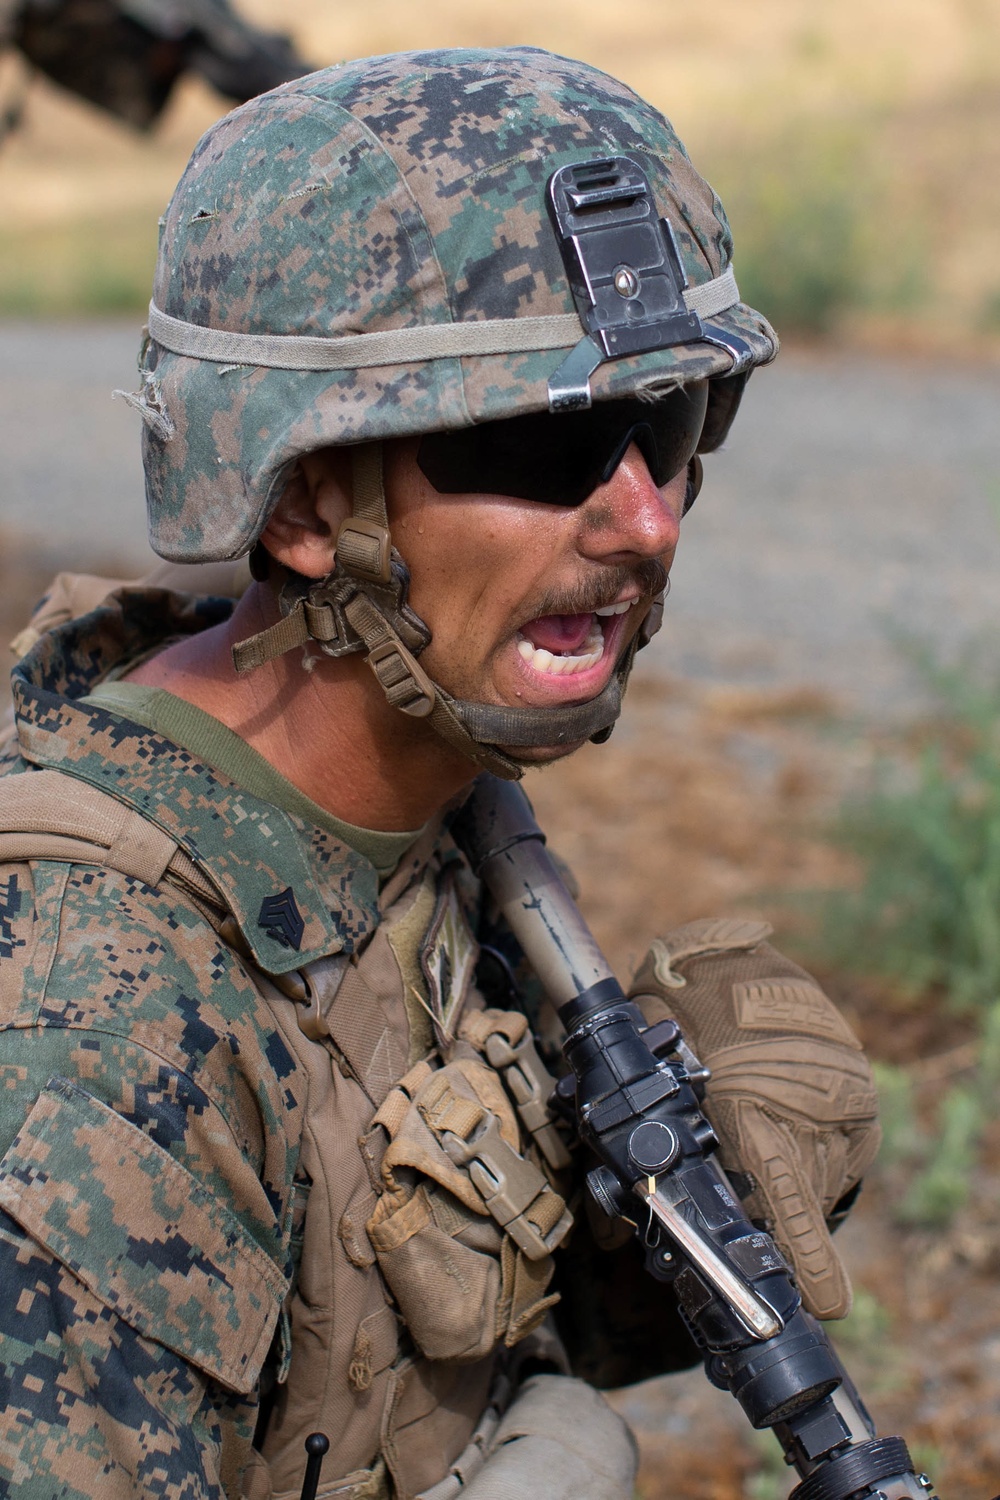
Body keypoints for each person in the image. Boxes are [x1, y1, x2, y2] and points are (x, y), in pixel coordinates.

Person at [0, 47, 880, 1500]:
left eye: (665, 427)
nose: (645, 524)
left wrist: (652, 1224)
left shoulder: (418, 807)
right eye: (547, 442)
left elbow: (347, 1352)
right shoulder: (83, 1017)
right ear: (299, 503)